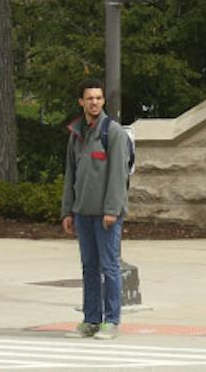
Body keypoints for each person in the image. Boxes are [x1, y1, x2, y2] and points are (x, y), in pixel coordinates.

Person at [60, 77, 132, 341]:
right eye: (89, 98)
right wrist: (67, 211)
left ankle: (111, 321)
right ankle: (91, 319)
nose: (94, 102)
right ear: (81, 102)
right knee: (89, 268)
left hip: (106, 215)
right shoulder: (76, 133)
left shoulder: (112, 132)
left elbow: (118, 175)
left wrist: (112, 210)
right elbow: (71, 175)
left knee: (109, 267)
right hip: (82, 214)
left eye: (98, 98)